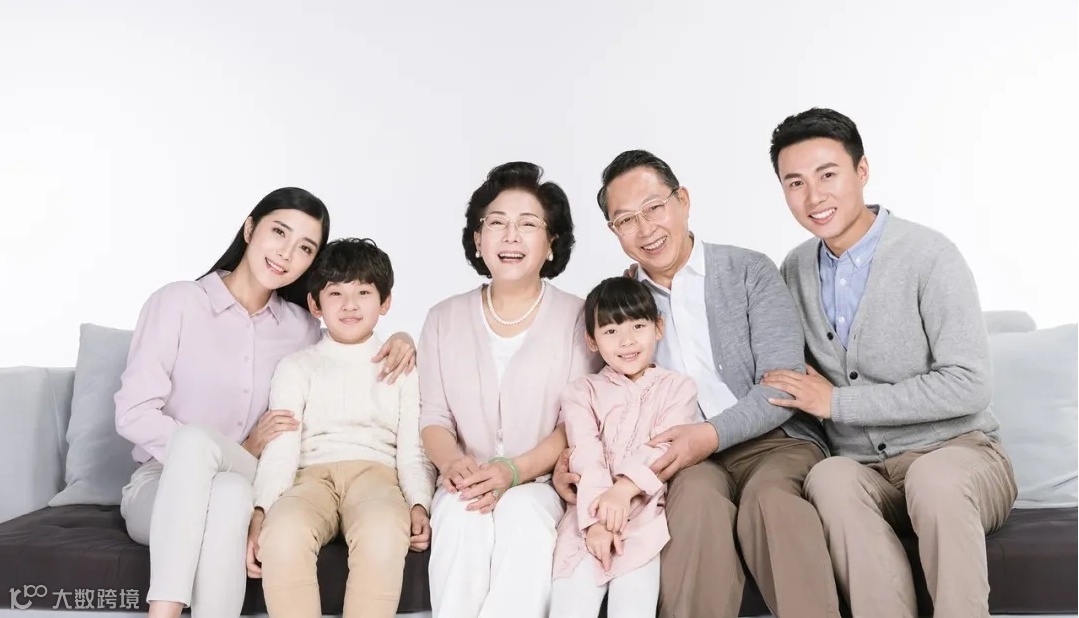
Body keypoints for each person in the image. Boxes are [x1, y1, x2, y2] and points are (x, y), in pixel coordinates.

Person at [554, 150, 841, 618]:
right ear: (613, 230)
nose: (645, 229)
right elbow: (598, 398)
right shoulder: (621, 305)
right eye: (626, 220)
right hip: (680, 460)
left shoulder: (749, 271)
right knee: (695, 508)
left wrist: (709, 434)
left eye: (654, 207)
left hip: (775, 441)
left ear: (682, 200)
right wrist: (566, 461)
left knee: (772, 503)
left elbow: (783, 386)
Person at [113, 188, 418, 618]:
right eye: (279, 232)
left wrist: (402, 340)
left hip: (246, 472)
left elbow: (349, 342)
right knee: (204, 459)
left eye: (305, 248)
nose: (286, 253)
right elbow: (133, 413)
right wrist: (232, 447)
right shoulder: (178, 302)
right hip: (162, 481)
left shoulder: (300, 327)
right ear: (250, 228)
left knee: (232, 492)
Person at [762, 107, 1018, 618]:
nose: (814, 197)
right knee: (828, 479)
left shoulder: (929, 255)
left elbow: (969, 384)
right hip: (868, 473)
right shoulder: (794, 268)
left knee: (934, 479)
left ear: (862, 171)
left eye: (828, 175)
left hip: (962, 457)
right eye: (795, 183)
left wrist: (838, 403)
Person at [418, 161, 602, 618]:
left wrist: (514, 472)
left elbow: (575, 422)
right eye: (496, 223)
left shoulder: (579, 318)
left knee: (524, 518)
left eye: (528, 224)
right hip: (465, 479)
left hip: (538, 482)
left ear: (551, 242)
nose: (510, 237)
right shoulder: (443, 318)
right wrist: (453, 464)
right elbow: (434, 417)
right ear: (477, 239)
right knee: (460, 518)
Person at [244, 237, 436, 618]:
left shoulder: (403, 365)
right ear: (315, 304)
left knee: (384, 530)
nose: (350, 305)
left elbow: (412, 448)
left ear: (385, 302)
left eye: (363, 292)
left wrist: (419, 502)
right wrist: (262, 508)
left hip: (377, 476)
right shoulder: (297, 367)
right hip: (309, 478)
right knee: (282, 534)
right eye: (336, 293)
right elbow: (282, 449)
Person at [548, 277, 699, 618]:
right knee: (570, 606)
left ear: (658, 327)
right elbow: (585, 453)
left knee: (633, 607)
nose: (627, 341)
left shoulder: (678, 388)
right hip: (586, 518)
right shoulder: (581, 392)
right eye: (611, 330)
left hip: (645, 519)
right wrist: (597, 521)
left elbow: (664, 447)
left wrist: (624, 490)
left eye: (638, 326)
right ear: (591, 340)